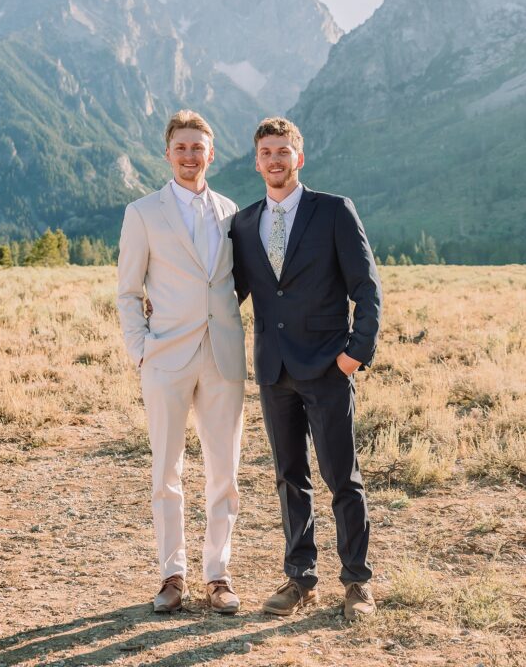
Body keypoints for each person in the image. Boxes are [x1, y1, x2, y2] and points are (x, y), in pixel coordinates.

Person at [231, 117, 382, 620]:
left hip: (327, 368)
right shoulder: (245, 223)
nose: (275, 160)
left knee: (343, 478)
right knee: (289, 477)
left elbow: (366, 288)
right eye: (266, 153)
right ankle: (301, 579)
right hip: (274, 372)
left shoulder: (335, 211)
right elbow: (227, 292)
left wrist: (354, 355)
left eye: (284, 151)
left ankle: (357, 583)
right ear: (256, 162)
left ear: (300, 157)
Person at [117, 110, 246, 614]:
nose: (190, 155)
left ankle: (219, 574)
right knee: (166, 472)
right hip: (165, 358)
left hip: (222, 357)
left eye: (199, 147)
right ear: (168, 154)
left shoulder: (232, 211)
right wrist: (140, 349)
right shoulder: (143, 212)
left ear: (211, 153)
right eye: (182, 148)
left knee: (225, 472)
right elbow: (128, 291)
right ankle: (173, 575)